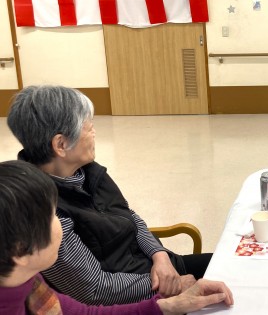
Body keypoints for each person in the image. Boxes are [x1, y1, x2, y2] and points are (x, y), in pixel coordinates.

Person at [6, 85, 213, 305]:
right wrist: (171, 286)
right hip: (135, 299)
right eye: (88, 127)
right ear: (61, 144)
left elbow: (128, 215)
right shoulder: (46, 210)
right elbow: (95, 290)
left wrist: (160, 256)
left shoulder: (86, 171)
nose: (94, 133)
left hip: (158, 269)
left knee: (235, 268)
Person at [0, 160, 233, 315]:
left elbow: (83, 313)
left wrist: (171, 304)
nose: (60, 222)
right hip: (138, 286)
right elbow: (96, 291)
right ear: (20, 250)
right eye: (53, 216)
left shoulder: (29, 282)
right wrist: (168, 290)